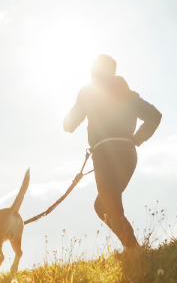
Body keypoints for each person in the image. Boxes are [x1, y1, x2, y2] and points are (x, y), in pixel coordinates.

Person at [64, 54, 161, 250]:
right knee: (103, 206)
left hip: (106, 154)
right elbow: (155, 116)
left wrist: (70, 117)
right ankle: (132, 248)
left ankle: (135, 251)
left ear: (93, 71)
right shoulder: (128, 94)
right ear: (114, 71)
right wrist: (136, 139)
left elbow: (69, 124)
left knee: (110, 206)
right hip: (128, 154)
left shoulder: (88, 92)